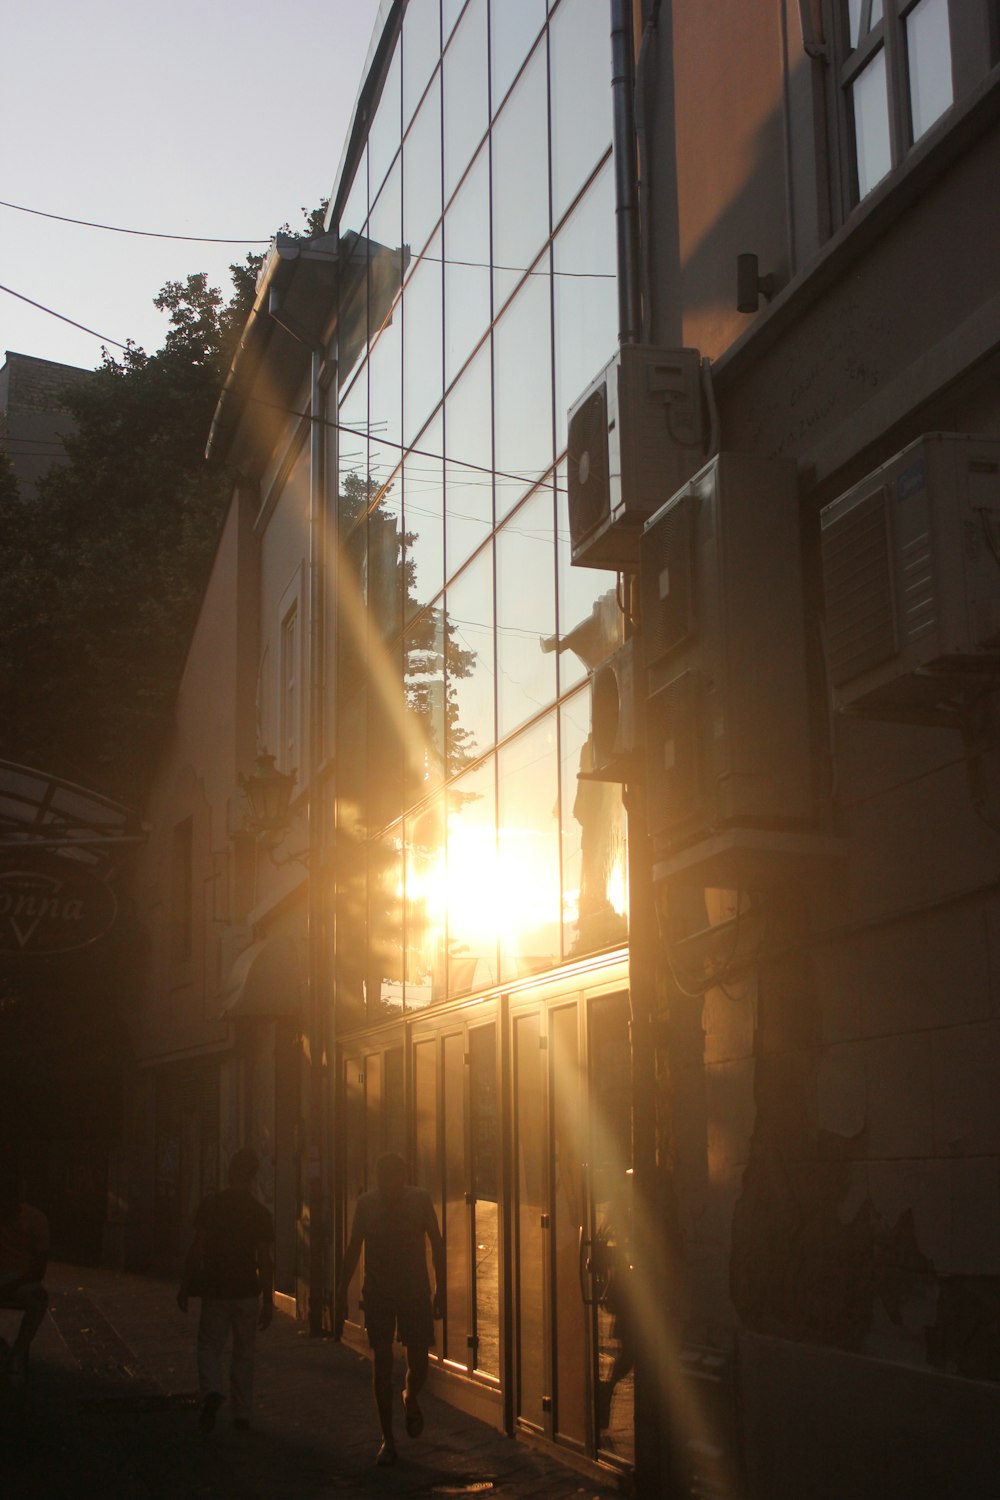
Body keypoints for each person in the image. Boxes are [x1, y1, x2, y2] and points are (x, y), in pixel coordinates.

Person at [335, 1152, 445, 1468]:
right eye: (384, 1178)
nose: (389, 1185)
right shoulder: (367, 1204)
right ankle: (388, 1439)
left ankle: (410, 1396)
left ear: (403, 1176)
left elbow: (436, 1242)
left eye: (393, 1177)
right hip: (379, 1292)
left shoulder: (420, 1200)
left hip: (414, 1291)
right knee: (381, 1361)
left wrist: (440, 1289)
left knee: (419, 1362)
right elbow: (354, 1247)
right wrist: (342, 1290)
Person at [177, 1146, 274, 1433]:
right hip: (247, 1290)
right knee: (244, 1353)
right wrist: (268, 1300)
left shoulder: (212, 1205)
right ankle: (241, 1414)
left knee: (209, 1345)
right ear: (253, 1176)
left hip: (216, 1287)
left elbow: (198, 1247)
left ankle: (210, 1390)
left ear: (229, 1172)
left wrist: (185, 1285)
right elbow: (265, 1261)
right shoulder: (259, 1213)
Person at [0, 1160, 49, 1386]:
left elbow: (38, 1268)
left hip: (20, 1281)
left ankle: (18, 1352)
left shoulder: (35, 1219)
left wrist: (12, 1284)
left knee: (38, 1299)